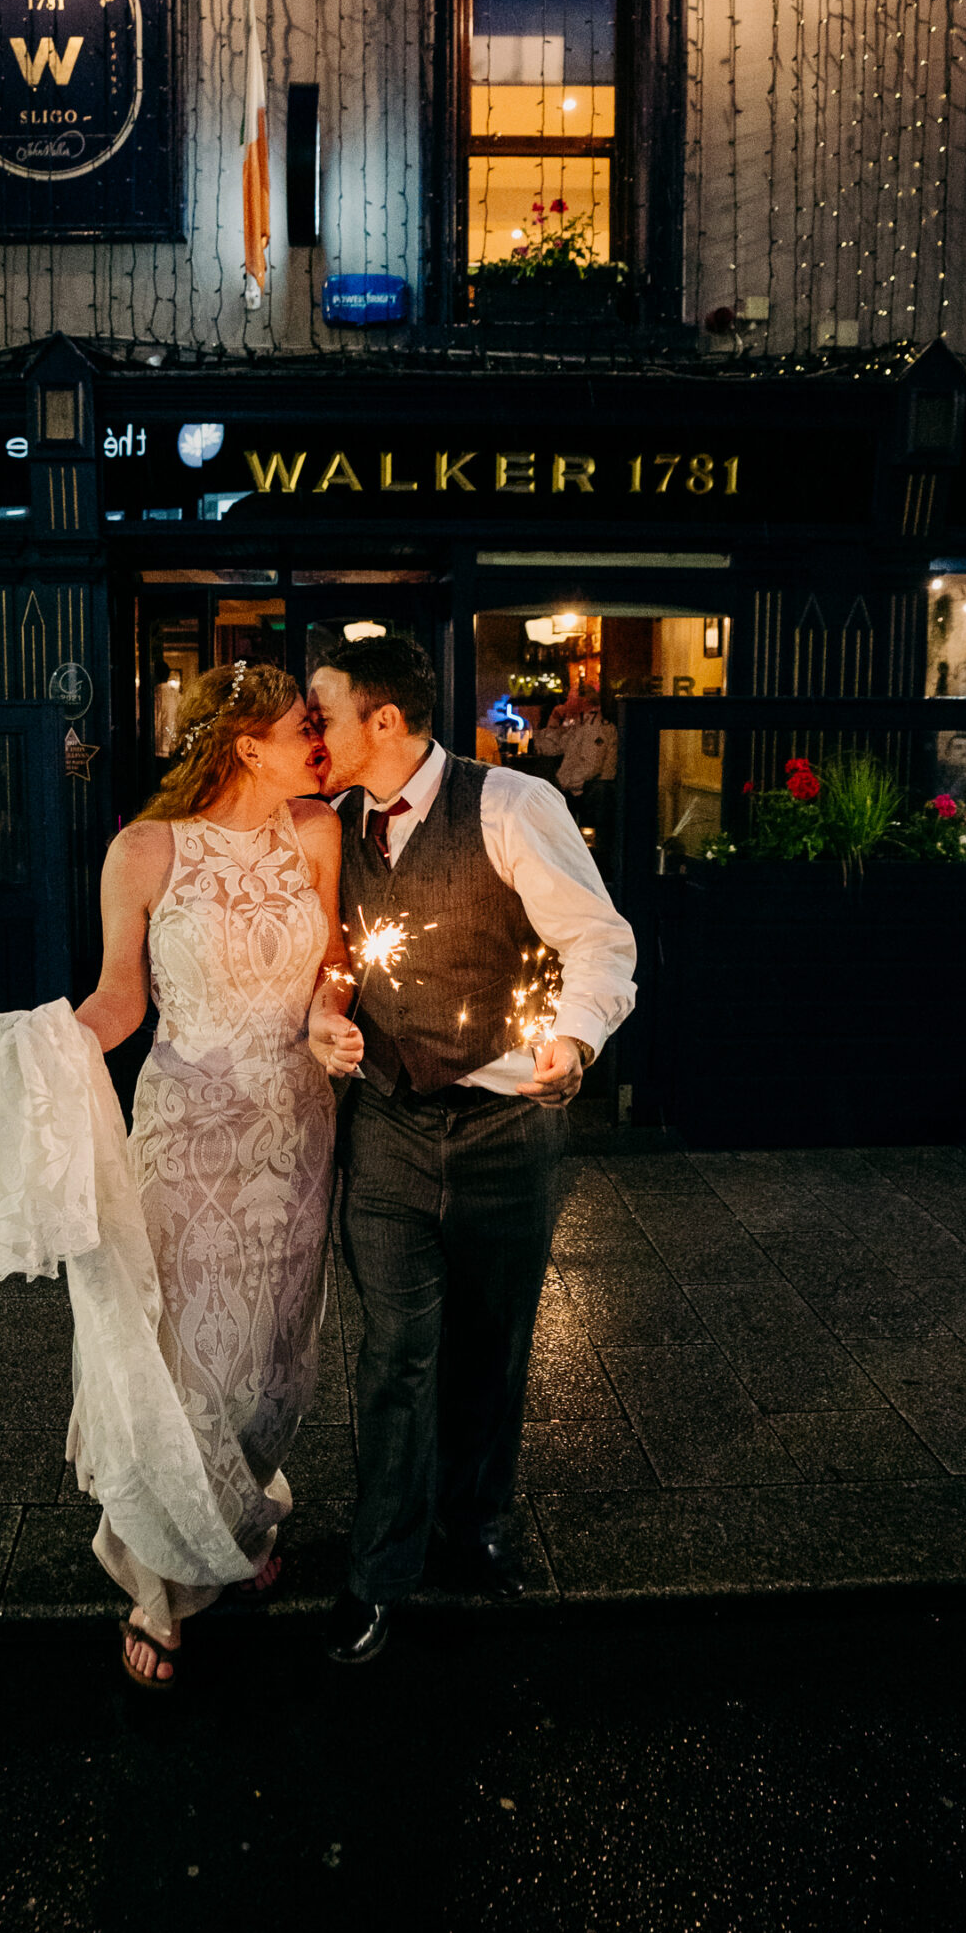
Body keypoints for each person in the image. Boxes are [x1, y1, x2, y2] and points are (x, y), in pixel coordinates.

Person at [305, 634, 637, 1666]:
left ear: (386, 721)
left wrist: (576, 1038)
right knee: (395, 1355)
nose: (312, 733)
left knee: (492, 1345)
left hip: (506, 1129)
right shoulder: (337, 828)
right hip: (392, 1128)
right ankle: (377, 1571)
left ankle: (474, 1519)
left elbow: (601, 940)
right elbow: (338, 967)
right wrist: (327, 1022)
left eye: (323, 713)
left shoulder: (511, 806)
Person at [74, 659, 346, 1686]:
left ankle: (235, 1518)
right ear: (247, 745)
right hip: (188, 1136)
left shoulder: (315, 833)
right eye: (302, 729)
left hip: (293, 1129)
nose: (319, 745)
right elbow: (121, 1000)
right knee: (186, 1354)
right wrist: (58, 1039)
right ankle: (154, 1577)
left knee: (273, 1358)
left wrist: (329, 1016)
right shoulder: (145, 850)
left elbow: (335, 964)